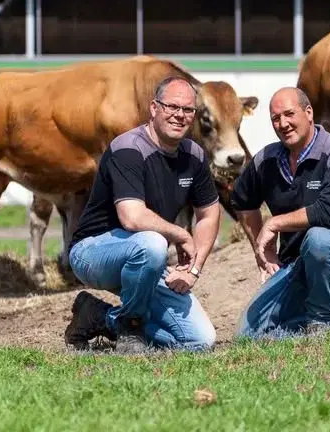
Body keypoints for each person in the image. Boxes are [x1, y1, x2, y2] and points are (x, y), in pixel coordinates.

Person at [63, 75, 222, 352]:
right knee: (153, 243)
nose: (180, 116)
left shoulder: (194, 155)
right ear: (154, 108)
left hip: (146, 258)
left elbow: (209, 214)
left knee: (200, 341)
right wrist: (181, 234)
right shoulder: (129, 148)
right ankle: (132, 326)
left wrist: (194, 270)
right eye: (172, 107)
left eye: (188, 110)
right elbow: (132, 217)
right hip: (93, 252)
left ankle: (103, 317)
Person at [230, 86, 330, 338]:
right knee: (250, 335)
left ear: (308, 112)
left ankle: (324, 323)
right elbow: (242, 201)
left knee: (319, 238)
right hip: (295, 264)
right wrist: (264, 250)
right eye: (276, 118)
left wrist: (274, 224)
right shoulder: (265, 160)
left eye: (289, 114)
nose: (283, 123)